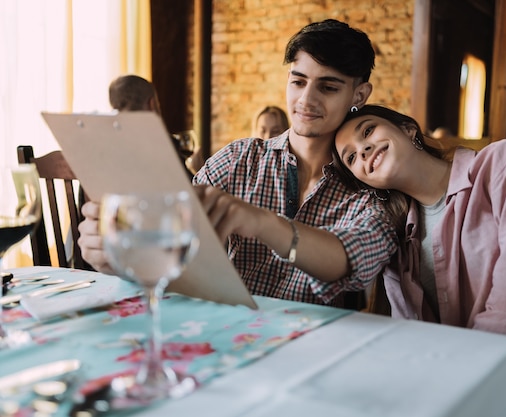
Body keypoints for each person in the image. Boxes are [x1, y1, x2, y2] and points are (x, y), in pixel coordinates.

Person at [78, 20, 398, 308]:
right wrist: (118, 255)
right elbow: (174, 230)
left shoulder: (370, 181)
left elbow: (355, 258)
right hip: (221, 327)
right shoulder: (239, 159)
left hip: (309, 347)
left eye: (328, 87)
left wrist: (262, 222)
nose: (306, 100)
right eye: (298, 82)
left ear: (359, 95)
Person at [331, 104, 506, 417]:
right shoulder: (398, 240)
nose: (364, 149)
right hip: (458, 397)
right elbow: (414, 342)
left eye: (368, 131)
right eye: (351, 157)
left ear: (409, 131)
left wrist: (460, 384)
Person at [108, 74, 197, 180]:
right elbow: (192, 193)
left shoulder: (104, 149)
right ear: (152, 104)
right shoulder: (163, 146)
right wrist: (198, 169)